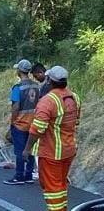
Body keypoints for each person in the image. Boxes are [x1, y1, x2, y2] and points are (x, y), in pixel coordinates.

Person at [24, 66, 81, 211]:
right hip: (69, 150)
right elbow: (76, 121)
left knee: (52, 187)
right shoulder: (74, 97)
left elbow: (37, 129)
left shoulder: (48, 101)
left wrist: (27, 149)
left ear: (49, 80)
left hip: (52, 153)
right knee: (60, 184)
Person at [4, 59, 41, 185]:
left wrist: (12, 122)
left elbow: (15, 107)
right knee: (29, 148)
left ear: (20, 71)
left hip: (20, 123)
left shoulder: (17, 87)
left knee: (20, 151)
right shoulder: (36, 86)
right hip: (33, 122)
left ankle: (19, 176)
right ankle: (28, 174)